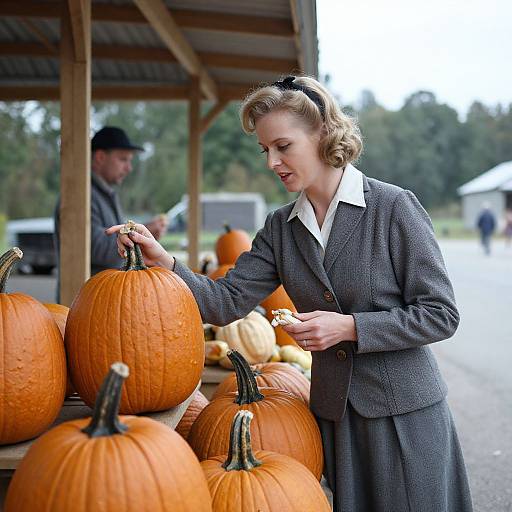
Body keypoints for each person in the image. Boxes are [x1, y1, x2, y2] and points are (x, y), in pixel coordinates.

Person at [107, 76, 472, 512]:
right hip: (335, 418)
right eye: (265, 150)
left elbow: (440, 314)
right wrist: (162, 258)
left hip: (405, 417)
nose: (272, 162)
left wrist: (351, 327)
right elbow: (224, 302)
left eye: (283, 146)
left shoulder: (394, 208)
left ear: (323, 133)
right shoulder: (281, 229)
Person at [54, 126, 167, 296]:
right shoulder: (79, 196)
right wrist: (142, 234)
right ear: (100, 157)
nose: (129, 168)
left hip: (103, 299)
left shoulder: (104, 194)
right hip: (84, 303)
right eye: (123, 159)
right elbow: (93, 247)